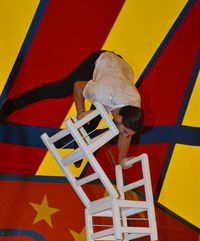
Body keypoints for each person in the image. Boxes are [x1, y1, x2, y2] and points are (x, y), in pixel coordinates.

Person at [0, 50, 143, 168]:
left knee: (94, 118)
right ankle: (11, 104)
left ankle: (79, 146)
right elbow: (78, 86)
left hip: (120, 70)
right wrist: (80, 112)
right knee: (60, 90)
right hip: (102, 61)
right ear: (119, 118)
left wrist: (122, 158)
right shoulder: (102, 93)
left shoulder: (134, 104)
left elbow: (126, 135)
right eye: (124, 131)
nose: (124, 135)